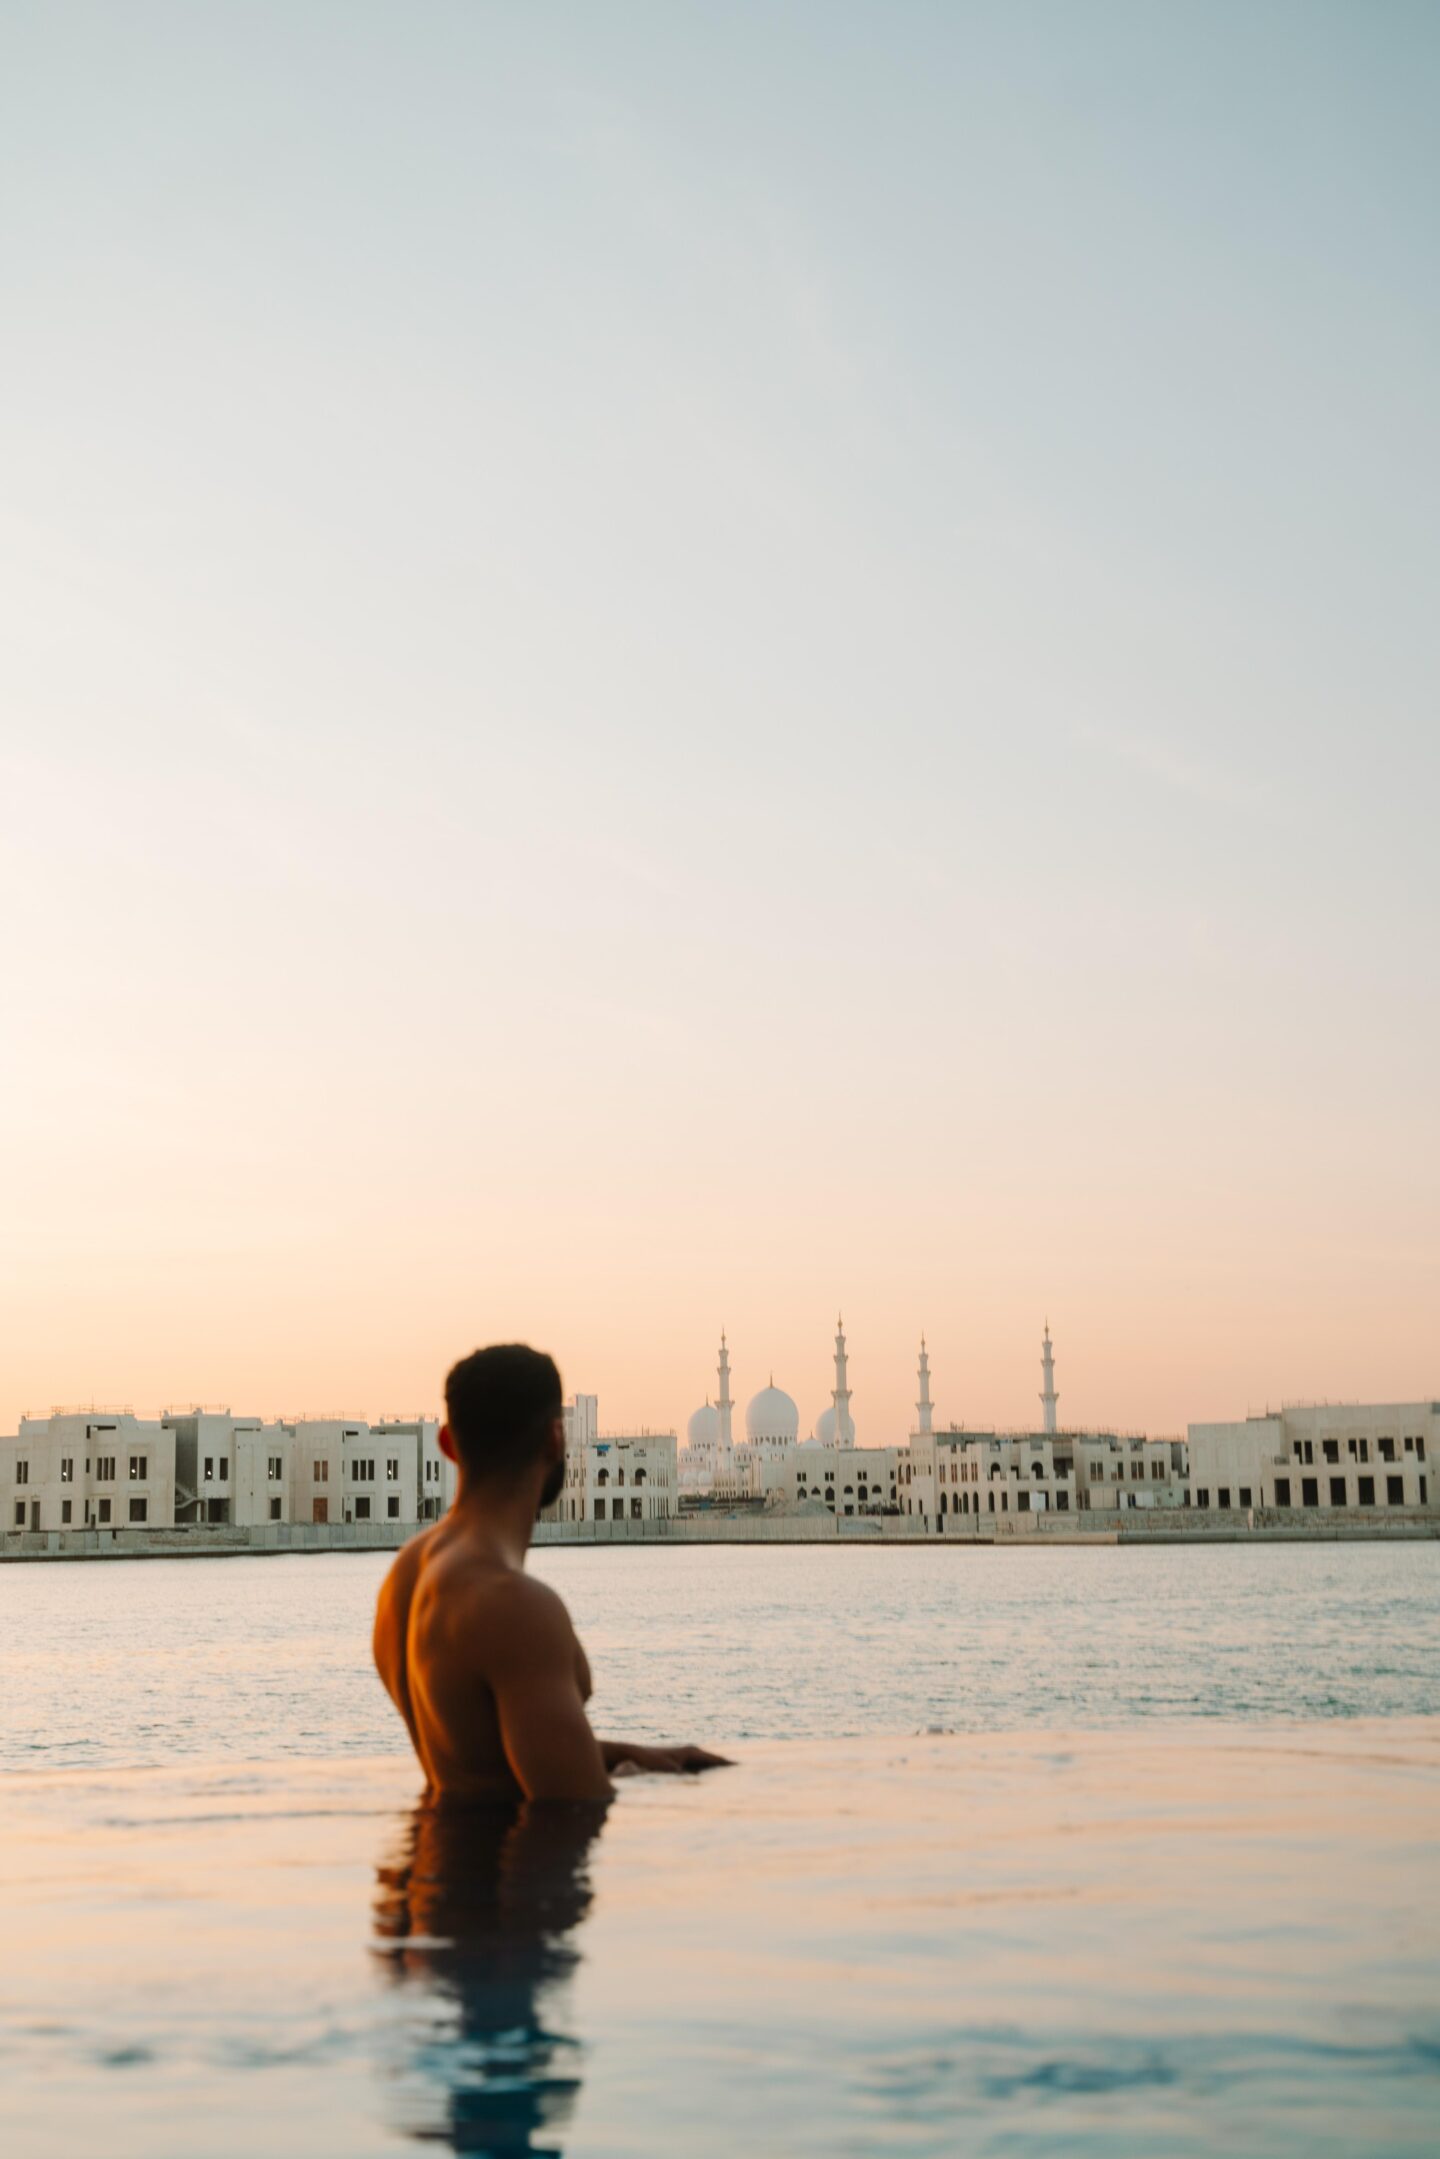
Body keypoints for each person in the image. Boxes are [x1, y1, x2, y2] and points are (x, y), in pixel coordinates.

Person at [374, 1343, 731, 1800]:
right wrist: (643, 1783)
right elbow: (574, 1808)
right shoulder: (513, 1605)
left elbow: (482, 1760)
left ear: (448, 1445)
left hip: (438, 1862)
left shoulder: (403, 1577)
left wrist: (638, 1755)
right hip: (501, 1870)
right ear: (555, 1440)